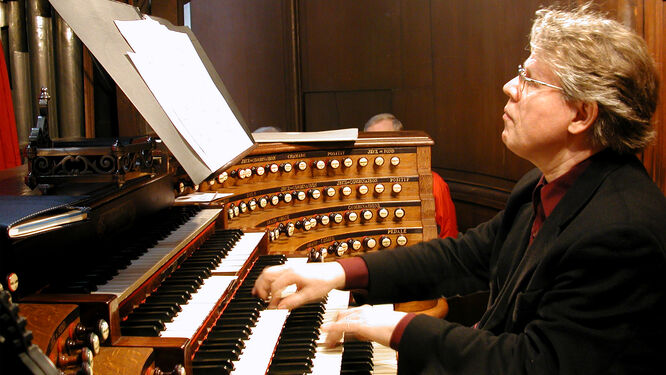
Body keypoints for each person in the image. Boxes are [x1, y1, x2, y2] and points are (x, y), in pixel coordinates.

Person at [252, 4, 666, 374]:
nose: (509, 86)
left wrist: (399, 327)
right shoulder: (545, 186)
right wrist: (338, 272)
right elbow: (464, 256)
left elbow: (535, 362)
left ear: (581, 114)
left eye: (531, 80)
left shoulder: (620, 232)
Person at [364, 113, 459, 238]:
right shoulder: (362, 184)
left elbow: (448, 233)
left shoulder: (433, 182)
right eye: (370, 142)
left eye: (384, 140)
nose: (377, 149)